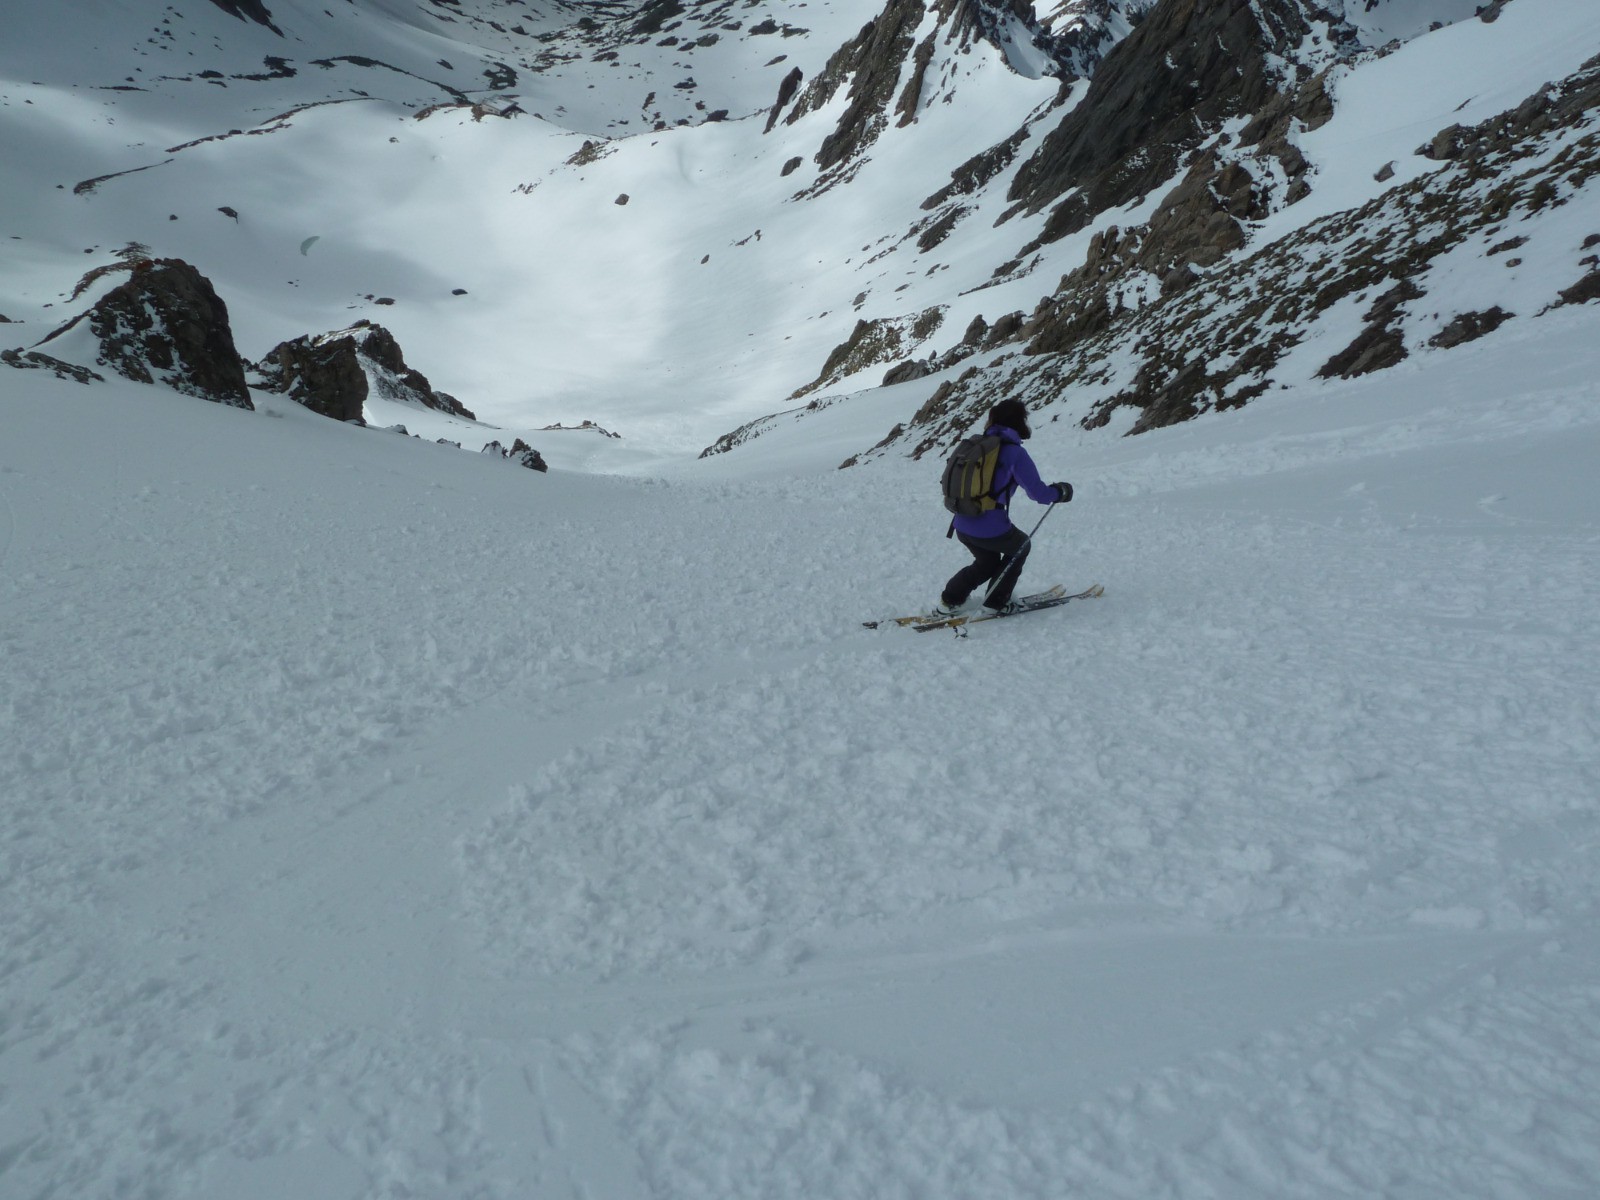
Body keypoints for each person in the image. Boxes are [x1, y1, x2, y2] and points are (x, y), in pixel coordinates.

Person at [935, 398, 1072, 617]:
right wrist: (1061, 493)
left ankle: (950, 600)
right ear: (1020, 421)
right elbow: (1038, 493)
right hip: (990, 527)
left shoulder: (977, 445)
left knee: (987, 562)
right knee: (1021, 546)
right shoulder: (1015, 454)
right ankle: (995, 603)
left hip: (961, 522)